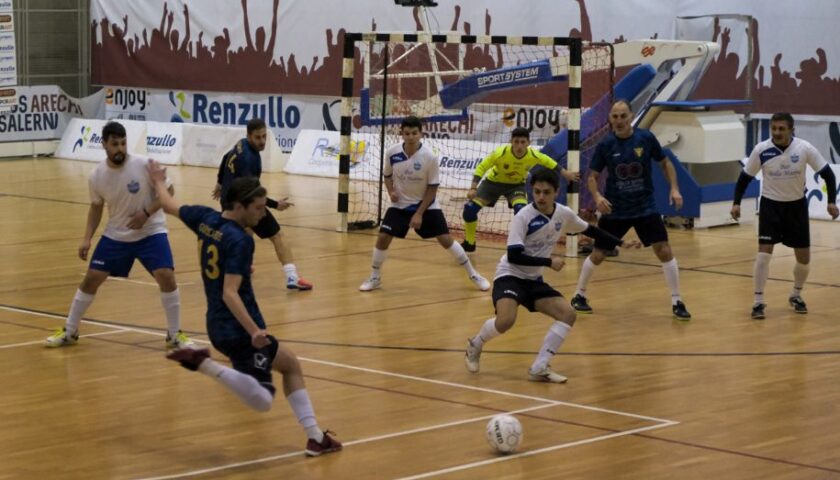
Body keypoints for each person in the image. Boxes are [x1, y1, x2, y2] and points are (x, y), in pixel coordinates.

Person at [150, 162, 342, 457]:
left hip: (216, 324)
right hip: (239, 327)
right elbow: (230, 293)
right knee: (263, 400)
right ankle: (205, 365)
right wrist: (255, 331)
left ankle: (315, 436)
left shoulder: (205, 218)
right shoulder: (240, 240)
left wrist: (158, 181)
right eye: (259, 208)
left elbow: (167, 203)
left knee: (290, 364)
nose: (263, 214)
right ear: (240, 206)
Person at [464, 169, 639, 382]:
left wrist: (621, 242)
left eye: (546, 192)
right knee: (506, 321)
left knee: (568, 314)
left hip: (534, 280)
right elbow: (514, 255)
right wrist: (549, 262)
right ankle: (476, 343)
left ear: (556, 192)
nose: (541, 197)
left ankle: (540, 366)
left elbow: (591, 231)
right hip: (510, 275)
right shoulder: (524, 216)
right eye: (537, 192)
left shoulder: (563, 214)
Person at [45, 121, 193, 348]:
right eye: (115, 144)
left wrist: (146, 213)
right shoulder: (97, 176)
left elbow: (168, 191)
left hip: (151, 232)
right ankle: (70, 331)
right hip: (117, 235)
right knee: (92, 278)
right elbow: (96, 207)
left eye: (123, 143)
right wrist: (87, 238)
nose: (120, 149)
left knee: (166, 275)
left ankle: (175, 334)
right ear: (104, 144)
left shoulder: (144, 164)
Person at [570, 100, 692, 320]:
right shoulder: (606, 144)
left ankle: (677, 301)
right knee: (598, 254)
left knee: (663, 249)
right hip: (615, 209)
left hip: (645, 206)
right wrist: (597, 196)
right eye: (614, 116)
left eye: (623, 116)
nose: (619, 121)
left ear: (631, 116)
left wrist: (674, 189)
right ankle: (579, 295)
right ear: (610, 119)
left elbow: (665, 162)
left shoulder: (645, 138)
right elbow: (592, 177)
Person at [359, 116, 490, 292]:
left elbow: (433, 187)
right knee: (383, 237)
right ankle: (374, 277)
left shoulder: (430, 157)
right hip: (400, 206)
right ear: (401, 134)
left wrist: (419, 213)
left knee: (445, 240)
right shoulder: (392, 153)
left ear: (421, 133)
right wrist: (391, 191)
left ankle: (473, 274)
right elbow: (387, 176)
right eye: (407, 133)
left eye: (414, 133)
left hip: (426, 205)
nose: (411, 137)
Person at [731, 112, 838, 319]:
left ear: (791, 130)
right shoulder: (761, 150)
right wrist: (736, 203)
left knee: (804, 259)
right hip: (771, 207)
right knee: (763, 254)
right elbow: (744, 177)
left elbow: (828, 174)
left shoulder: (804, 148)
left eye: (781, 129)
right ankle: (758, 301)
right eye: (774, 129)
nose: (777, 133)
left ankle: (796, 295)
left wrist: (831, 202)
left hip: (796, 207)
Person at [212, 118, 312, 291]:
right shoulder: (249, 159)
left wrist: (220, 182)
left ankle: (241, 266)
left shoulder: (241, 144)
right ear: (249, 135)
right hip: (245, 205)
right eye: (258, 138)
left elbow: (225, 157)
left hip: (228, 203)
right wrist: (275, 204)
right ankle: (292, 277)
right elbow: (254, 192)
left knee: (245, 234)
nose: (262, 141)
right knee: (278, 236)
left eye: (264, 136)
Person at [461, 127, 579, 252]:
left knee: (521, 211)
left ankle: (521, 244)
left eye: (523, 142)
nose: (519, 146)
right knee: (469, 209)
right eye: (516, 142)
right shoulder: (500, 153)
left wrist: (565, 173)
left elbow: (549, 162)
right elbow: (482, 167)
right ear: (511, 141)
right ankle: (470, 242)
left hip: (516, 186)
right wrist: (473, 187)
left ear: (528, 143)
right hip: (492, 184)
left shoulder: (533, 155)